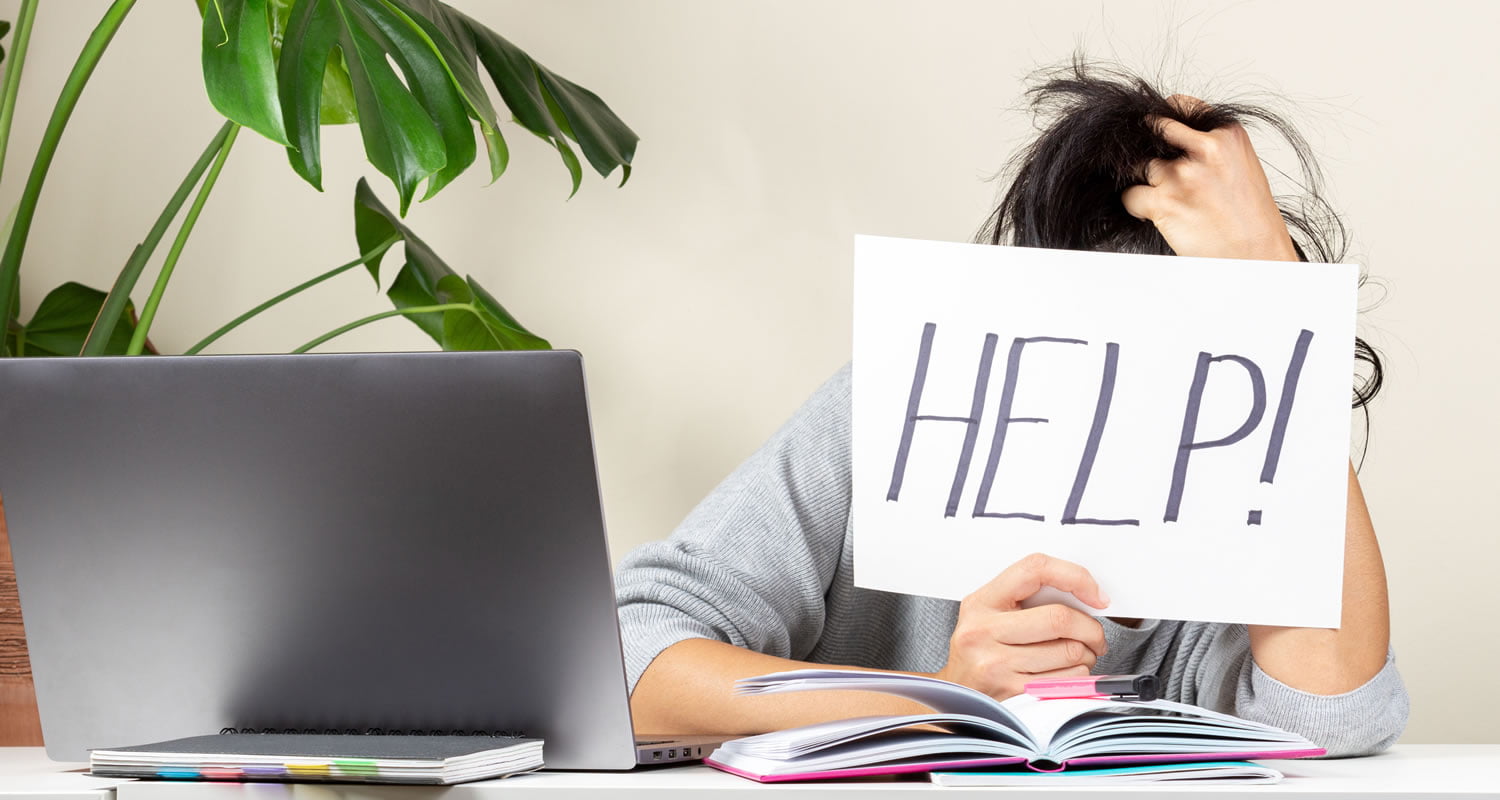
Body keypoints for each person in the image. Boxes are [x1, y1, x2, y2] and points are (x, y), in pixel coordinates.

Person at [614, 61, 1408, 758]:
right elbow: (629, 659)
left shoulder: (1243, 498)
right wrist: (943, 696)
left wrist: (1270, 288)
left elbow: (1328, 711)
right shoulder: (893, 408)